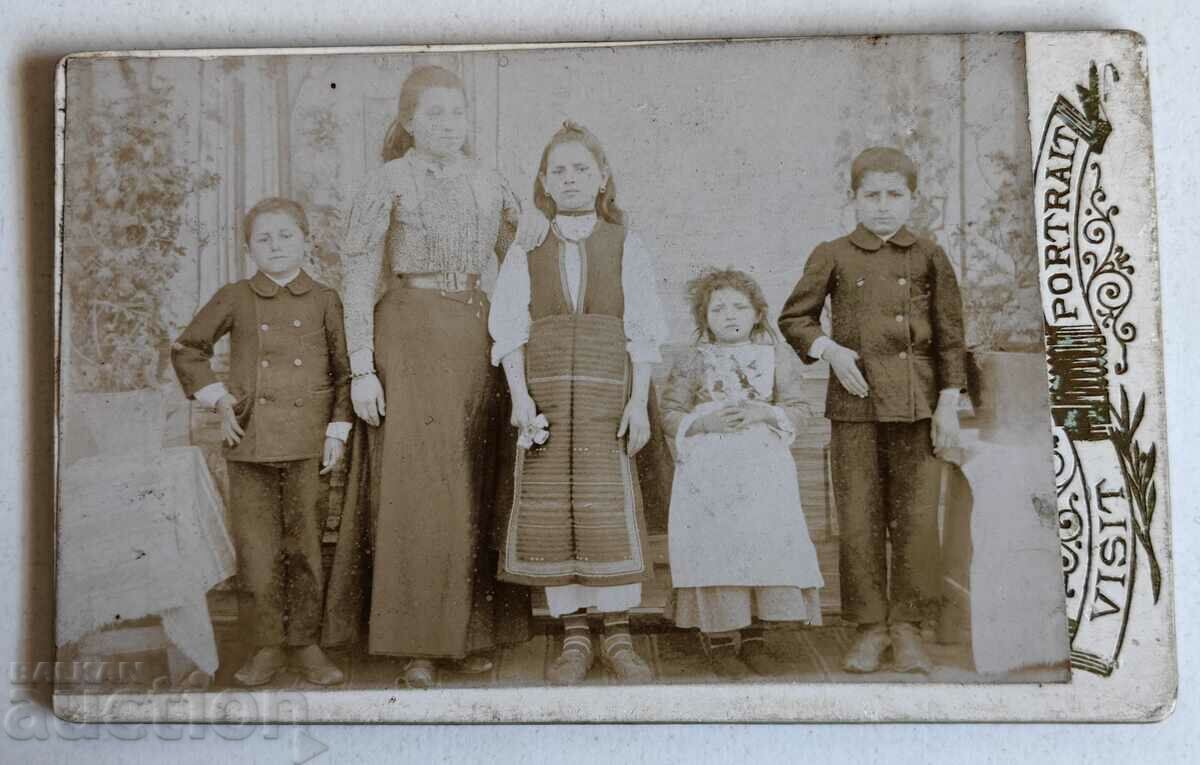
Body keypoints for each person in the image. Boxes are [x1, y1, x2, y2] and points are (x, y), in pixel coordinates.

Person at [328, 65, 534, 688]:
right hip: (407, 339)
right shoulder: (386, 182)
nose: (448, 124)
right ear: (409, 121)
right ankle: (415, 643)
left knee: (471, 480)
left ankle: (472, 633)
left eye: (457, 112)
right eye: (434, 113)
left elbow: (526, 260)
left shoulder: (491, 183)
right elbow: (359, 279)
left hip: (473, 338)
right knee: (418, 489)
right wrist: (362, 369)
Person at [488, 121, 670, 685]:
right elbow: (510, 327)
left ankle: (618, 634)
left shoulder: (625, 243)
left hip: (606, 392)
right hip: (542, 398)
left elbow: (643, 328)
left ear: (601, 179)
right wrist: (520, 400)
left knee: (604, 510)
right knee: (553, 514)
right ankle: (573, 638)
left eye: (581, 170)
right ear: (544, 181)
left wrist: (638, 404)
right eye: (558, 170)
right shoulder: (526, 248)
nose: (570, 179)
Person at [778, 147, 966, 674]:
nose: (882, 206)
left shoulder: (929, 255)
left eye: (894, 195)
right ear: (854, 199)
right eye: (871, 195)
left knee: (915, 521)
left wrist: (948, 402)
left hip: (918, 407)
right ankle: (868, 627)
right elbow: (795, 319)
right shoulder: (833, 253)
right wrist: (831, 352)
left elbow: (952, 338)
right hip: (855, 406)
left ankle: (907, 628)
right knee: (858, 520)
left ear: (912, 199)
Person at [171, 197, 350, 687]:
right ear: (248, 247)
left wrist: (337, 430)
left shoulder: (325, 299)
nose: (276, 246)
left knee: (305, 547)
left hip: (308, 442)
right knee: (257, 549)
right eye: (264, 238)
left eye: (286, 235)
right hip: (249, 441)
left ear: (307, 240)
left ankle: (307, 644)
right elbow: (188, 348)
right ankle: (267, 646)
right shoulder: (236, 296)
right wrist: (220, 399)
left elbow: (344, 373)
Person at [660, 268, 824, 678]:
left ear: (756, 313)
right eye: (718, 309)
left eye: (739, 307)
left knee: (760, 545)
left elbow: (800, 409)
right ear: (704, 318)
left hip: (761, 470)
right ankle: (719, 640)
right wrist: (704, 424)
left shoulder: (776, 356)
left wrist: (762, 411)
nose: (729, 315)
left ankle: (755, 640)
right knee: (718, 548)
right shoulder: (692, 360)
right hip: (709, 472)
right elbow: (670, 412)